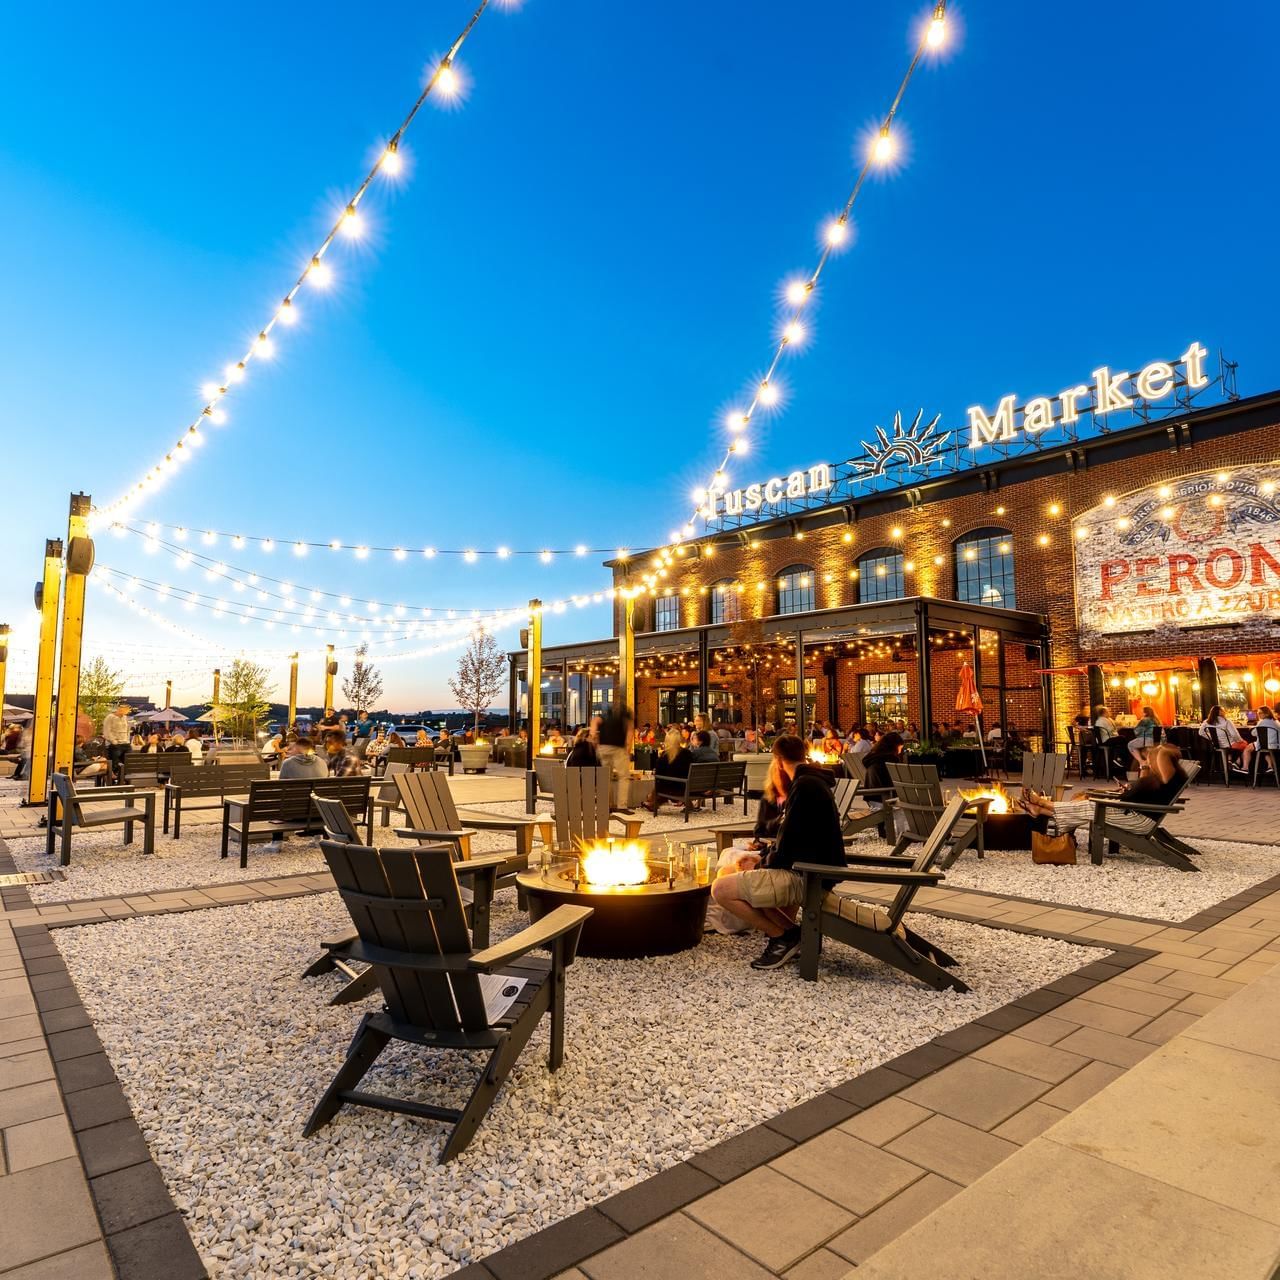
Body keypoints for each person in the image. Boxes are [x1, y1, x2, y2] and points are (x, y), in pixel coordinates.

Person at [709, 735, 845, 970]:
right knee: (738, 874)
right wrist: (762, 857)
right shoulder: (811, 782)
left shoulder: (804, 786)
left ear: (778, 760)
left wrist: (760, 865)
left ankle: (783, 937)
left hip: (809, 876)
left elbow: (791, 843)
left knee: (721, 889)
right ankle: (793, 935)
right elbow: (795, 838)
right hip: (811, 869)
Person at [1023, 745, 1187, 839]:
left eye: (1152, 761)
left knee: (1088, 805)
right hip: (1137, 814)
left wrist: (1129, 787)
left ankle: (1043, 805)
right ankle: (1040, 809)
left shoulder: (1160, 780)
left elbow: (1130, 794)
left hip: (1138, 821)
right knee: (1086, 804)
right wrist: (1141, 772)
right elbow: (1135, 791)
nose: (1149, 764)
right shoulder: (1163, 780)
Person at [596, 703, 633, 800]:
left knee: (606, 777)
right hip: (618, 748)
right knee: (623, 777)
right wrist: (628, 749)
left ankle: (607, 804)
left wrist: (596, 742)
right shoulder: (626, 715)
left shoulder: (604, 716)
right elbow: (629, 730)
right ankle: (622, 806)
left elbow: (594, 722)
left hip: (603, 748)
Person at [1200, 704, 1252, 774]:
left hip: (1217, 745)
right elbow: (1234, 734)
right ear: (1220, 712)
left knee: (1238, 745)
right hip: (1230, 745)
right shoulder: (1227, 721)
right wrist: (1240, 740)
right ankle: (1237, 763)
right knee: (1246, 746)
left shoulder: (1206, 722)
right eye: (1223, 710)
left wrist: (1212, 739)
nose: (1224, 712)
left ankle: (1230, 760)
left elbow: (1201, 732)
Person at [649, 727, 692, 810]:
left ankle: (653, 803)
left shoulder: (665, 756)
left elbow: (658, 775)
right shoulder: (688, 753)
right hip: (688, 786)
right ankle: (652, 802)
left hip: (673, 789)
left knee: (661, 783)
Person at [101, 703, 131, 783]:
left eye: (127, 710)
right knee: (115, 760)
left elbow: (128, 730)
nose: (126, 711)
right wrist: (114, 741)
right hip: (114, 743)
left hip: (125, 743)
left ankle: (123, 778)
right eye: (125, 709)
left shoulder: (125, 717)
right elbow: (107, 731)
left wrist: (127, 740)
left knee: (128, 760)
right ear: (119, 709)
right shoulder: (110, 717)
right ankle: (112, 777)